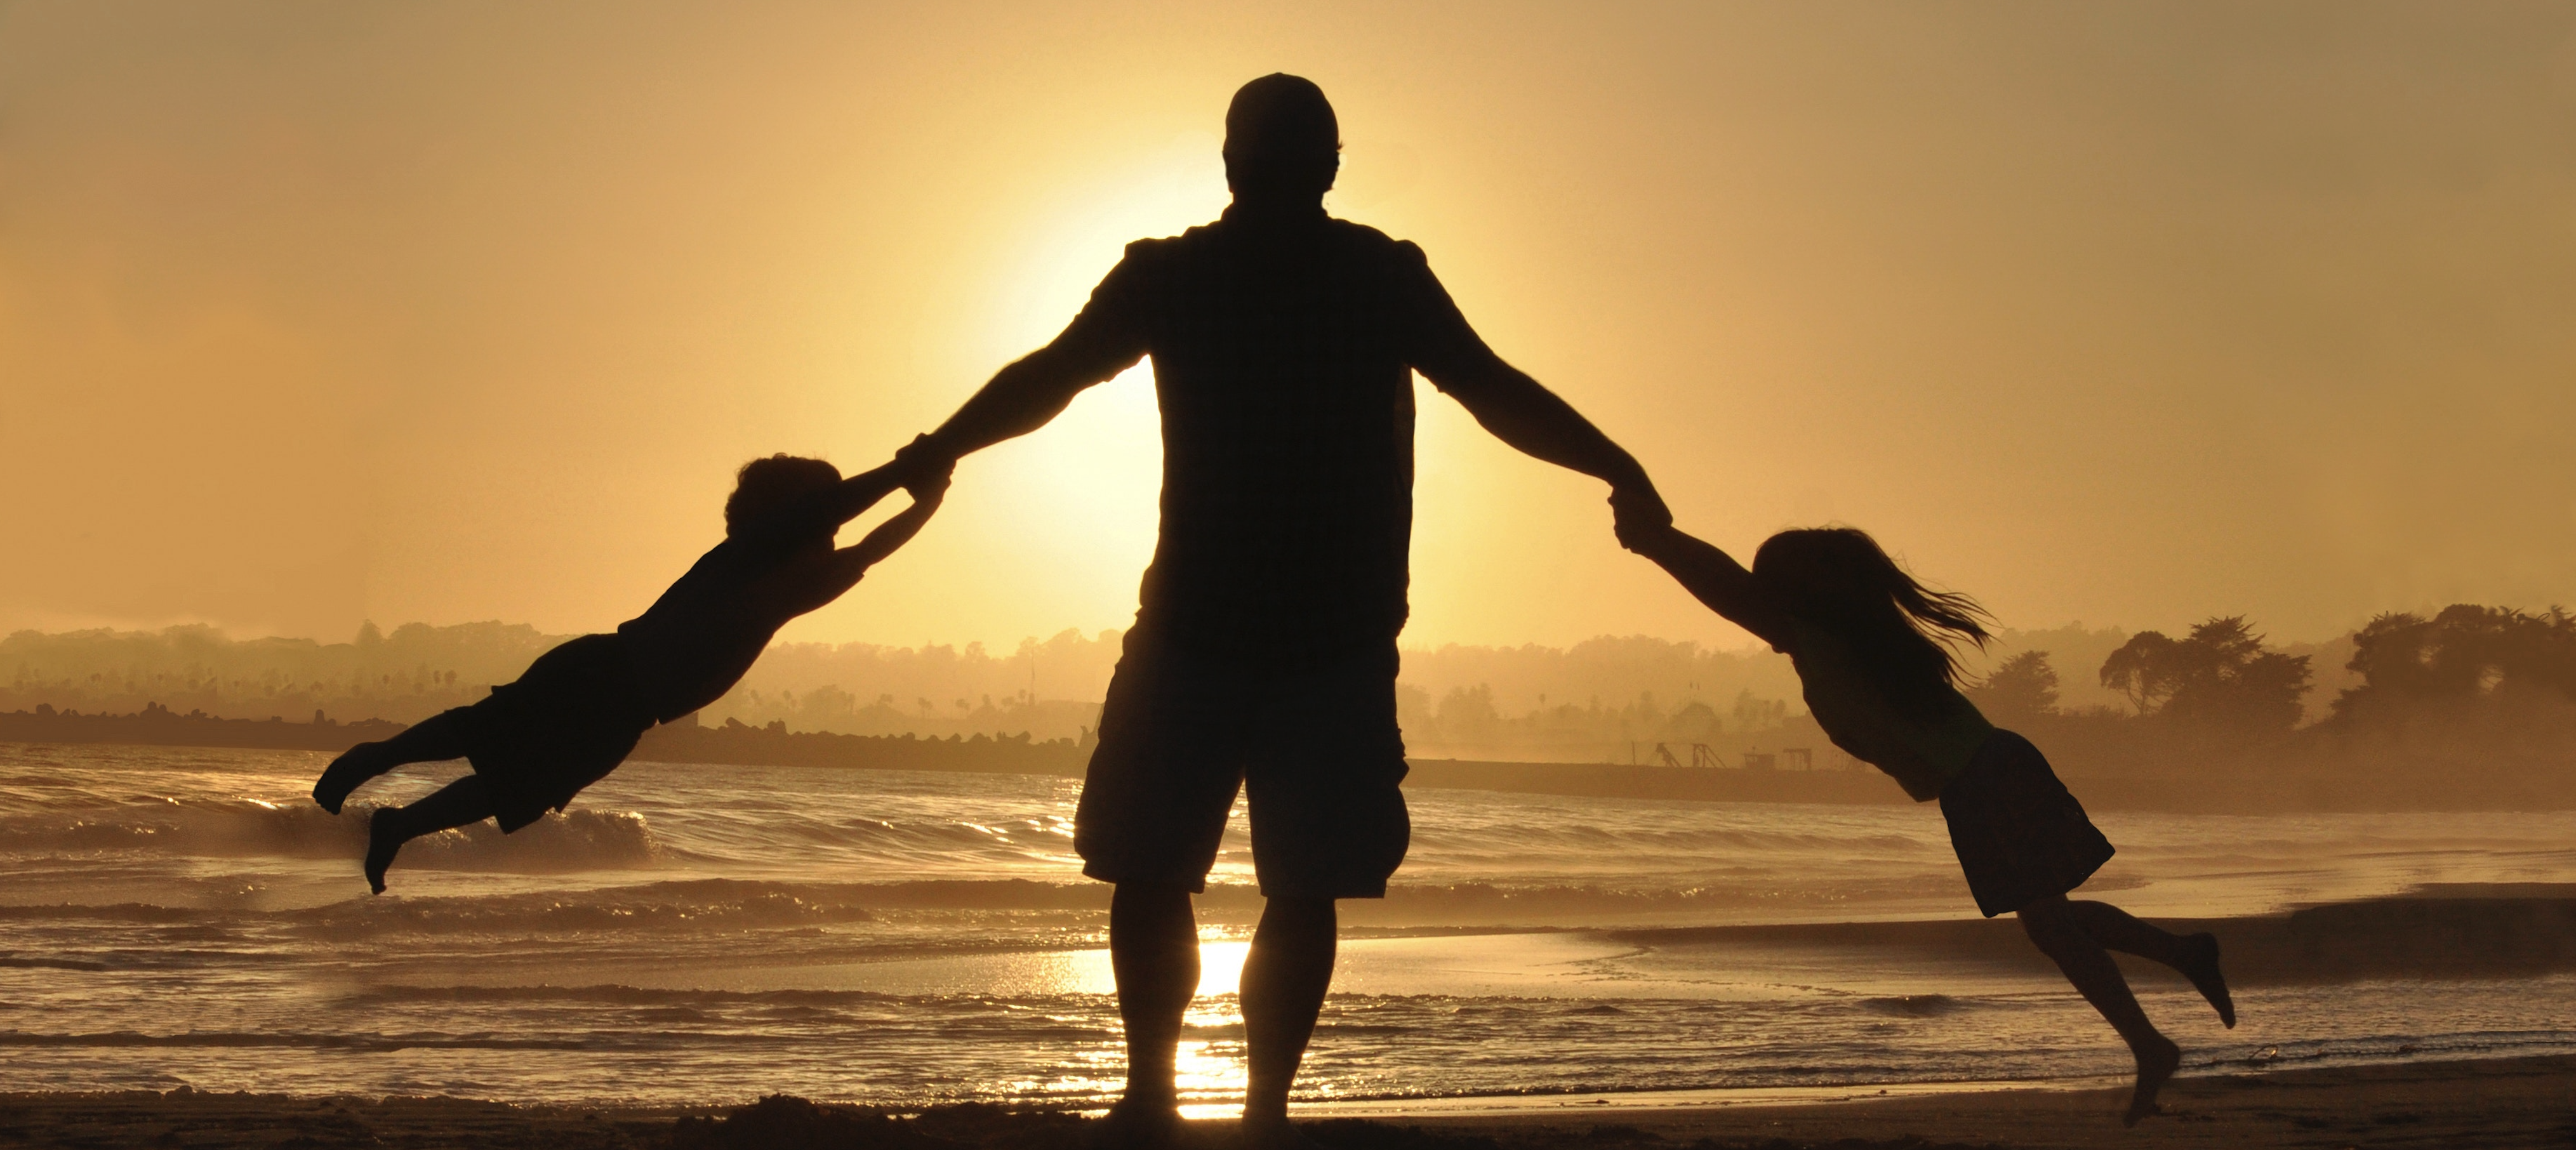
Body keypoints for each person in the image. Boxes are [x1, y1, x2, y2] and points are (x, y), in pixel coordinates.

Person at [887, 74, 1668, 1146]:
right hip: (1324, 641)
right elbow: (1491, 389)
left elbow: (1050, 378)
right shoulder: (1372, 278)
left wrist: (943, 446)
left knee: (1154, 869)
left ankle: (1157, 1099)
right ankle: (1256, 1110)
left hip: (1211, 633)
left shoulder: (1182, 276)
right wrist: (1613, 463)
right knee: (1296, 887)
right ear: (1331, 165)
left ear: (1228, 163)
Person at [1625, 522, 2234, 1126]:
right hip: (1994, 769)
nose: (1760, 599)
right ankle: (2183, 954)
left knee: (2050, 926)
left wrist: (1659, 540)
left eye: (1769, 585)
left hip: (1985, 780)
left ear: (1793, 592)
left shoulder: (1821, 639)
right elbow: (1737, 591)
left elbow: (1723, 588)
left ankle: (2152, 1044)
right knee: (2054, 917)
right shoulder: (1861, 637)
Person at [310, 453, 950, 893]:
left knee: (520, 790)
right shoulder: (741, 558)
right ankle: (374, 758)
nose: (833, 537)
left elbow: (871, 550)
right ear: (789, 520)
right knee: (485, 729)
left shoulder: (794, 590)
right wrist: (901, 474)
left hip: (628, 715)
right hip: (603, 671)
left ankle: (396, 826)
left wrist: (929, 496)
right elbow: (822, 520)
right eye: (824, 523)